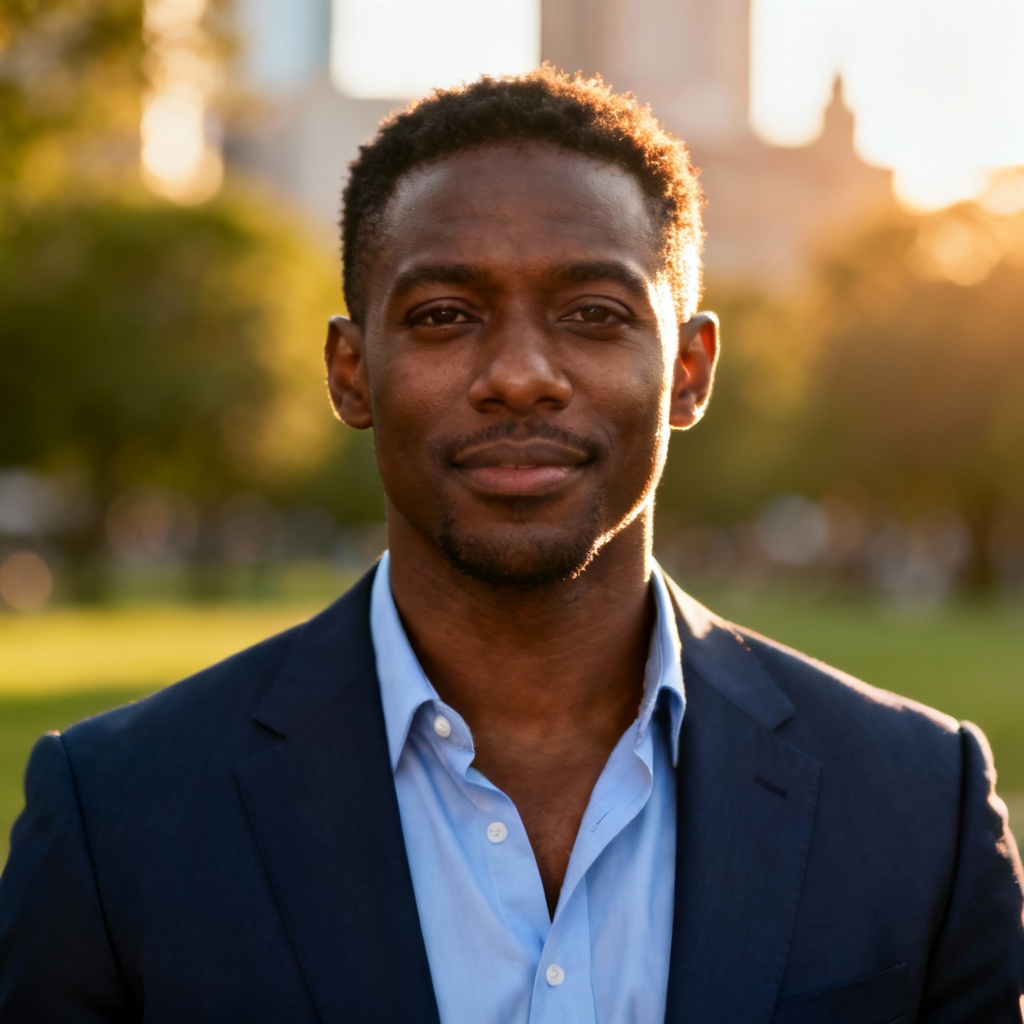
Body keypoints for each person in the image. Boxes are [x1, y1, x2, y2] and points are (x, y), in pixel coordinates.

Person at [1, 67, 1022, 1024]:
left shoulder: (917, 803)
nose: (521, 375)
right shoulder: (116, 812)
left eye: (594, 313)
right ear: (352, 373)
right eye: (445, 315)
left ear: (689, 370)